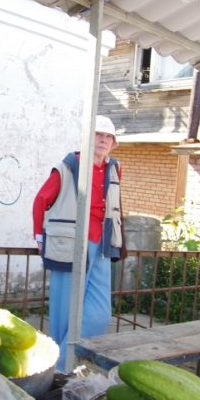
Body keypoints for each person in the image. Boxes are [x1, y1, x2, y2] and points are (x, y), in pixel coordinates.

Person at [33, 116, 122, 369]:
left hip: (103, 243)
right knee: (64, 309)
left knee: (100, 313)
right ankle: (60, 366)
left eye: (108, 137)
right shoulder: (71, 166)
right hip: (70, 244)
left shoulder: (114, 168)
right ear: (87, 138)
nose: (104, 140)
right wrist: (40, 237)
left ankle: (62, 358)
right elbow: (41, 200)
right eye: (98, 135)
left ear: (114, 143)